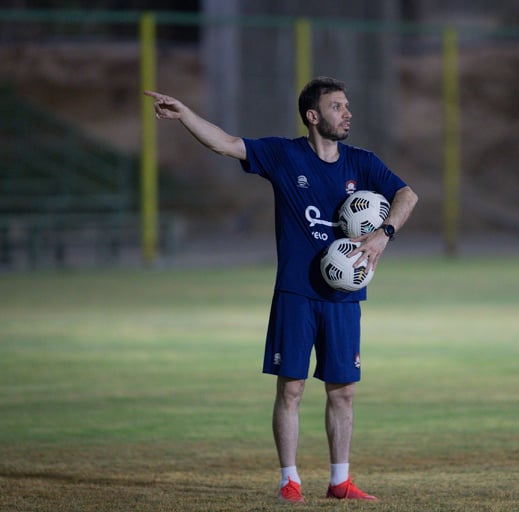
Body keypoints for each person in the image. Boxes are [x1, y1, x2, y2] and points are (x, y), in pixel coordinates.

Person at [145, 77, 418, 503]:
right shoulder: (284, 155)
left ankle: (340, 481)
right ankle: (289, 480)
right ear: (313, 116)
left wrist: (385, 233)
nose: (347, 114)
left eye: (347, 106)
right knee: (291, 388)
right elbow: (226, 143)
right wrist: (186, 116)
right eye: (337, 106)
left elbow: (407, 194)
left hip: (344, 296)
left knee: (343, 391)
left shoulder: (362, 163)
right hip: (296, 292)